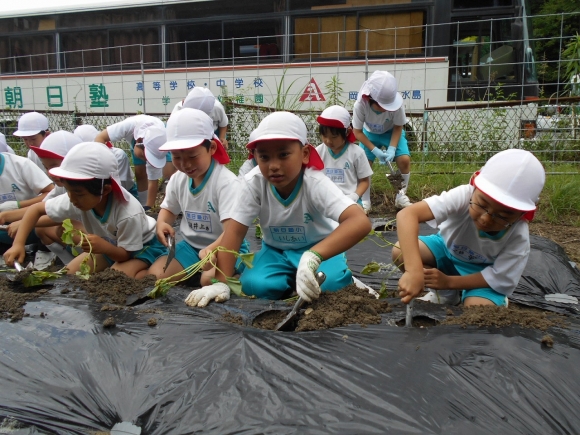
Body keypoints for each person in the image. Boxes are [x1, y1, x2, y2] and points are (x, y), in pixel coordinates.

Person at [184, 111, 371, 307]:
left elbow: (359, 221)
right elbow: (235, 231)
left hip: (319, 248)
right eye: (264, 157)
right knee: (254, 285)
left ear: (305, 154)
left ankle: (336, 274)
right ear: (256, 157)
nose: (273, 166)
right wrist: (221, 283)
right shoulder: (253, 183)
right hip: (276, 250)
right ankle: (290, 281)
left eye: (283, 155)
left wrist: (313, 256)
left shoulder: (315, 182)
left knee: (330, 287)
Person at [392, 149, 545, 307]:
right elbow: (407, 215)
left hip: (480, 275)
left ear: (524, 214)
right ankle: (447, 296)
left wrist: (449, 282)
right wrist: (413, 270)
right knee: (400, 251)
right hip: (446, 251)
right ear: (474, 183)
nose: (486, 218)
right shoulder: (464, 195)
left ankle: (475, 295)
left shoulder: (518, 235)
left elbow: (499, 277)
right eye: (482, 204)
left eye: (503, 215)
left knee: (478, 309)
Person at [4, 143, 166, 278]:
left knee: (117, 279)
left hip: (142, 247)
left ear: (106, 189)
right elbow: (36, 210)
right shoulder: (76, 199)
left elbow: (125, 254)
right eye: (69, 191)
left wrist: (105, 248)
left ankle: (151, 270)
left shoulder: (128, 213)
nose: (72, 199)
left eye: (78, 193)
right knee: (69, 275)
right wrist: (18, 244)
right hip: (110, 246)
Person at [142, 108, 248, 284]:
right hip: (191, 247)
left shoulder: (226, 183)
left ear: (211, 148)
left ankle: (236, 274)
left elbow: (231, 231)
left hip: (225, 246)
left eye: (192, 156)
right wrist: (162, 224)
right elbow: (168, 209)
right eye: (176, 157)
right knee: (156, 276)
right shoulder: (178, 179)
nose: (185, 164)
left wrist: (211, 249)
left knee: (208, 280)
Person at [352, 70, 412, 212]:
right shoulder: (360, 105)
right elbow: (357, 132)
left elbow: (398, 127)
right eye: (382, 105)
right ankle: (365, 201)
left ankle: (401, 195)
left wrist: (391, 148)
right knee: (364, 165)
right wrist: (374, 150)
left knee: (404, 159)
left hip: (391, 132)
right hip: (368, 134)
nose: (386, 108)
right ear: (371, 98)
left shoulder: (397, 105)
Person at [94, 115, 167, 209]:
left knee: (161, 172)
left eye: (150, 158)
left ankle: (144, 206)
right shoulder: (127, 126)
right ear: (138, 141)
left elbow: (153, 181)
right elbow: (100, 138)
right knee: (140, 172)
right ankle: (141, 204)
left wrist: (148, 208)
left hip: (155, 139)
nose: (147, 161)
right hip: (140, 136)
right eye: (146, 157)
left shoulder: (157, 146)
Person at [316, 105, 373, 208]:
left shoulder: (357, 153)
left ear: (347, 132)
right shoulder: (319, 151)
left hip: (349, 202)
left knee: (358, 218)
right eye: (324, 136)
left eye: (334, 137)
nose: (328, 141)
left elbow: (364, 181)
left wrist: (355, 196)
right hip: (324, 201)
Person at [0, 140, 54, 247]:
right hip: (4, 225)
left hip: (32, 220)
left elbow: (50, 193)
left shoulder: (21, 165)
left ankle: (43, 249)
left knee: (45, 227)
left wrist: (18, 205)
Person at [74, 124, 138, 199]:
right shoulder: (78, 159)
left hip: (126, 193)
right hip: (95, 195)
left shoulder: (118, 156)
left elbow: (121, 188)